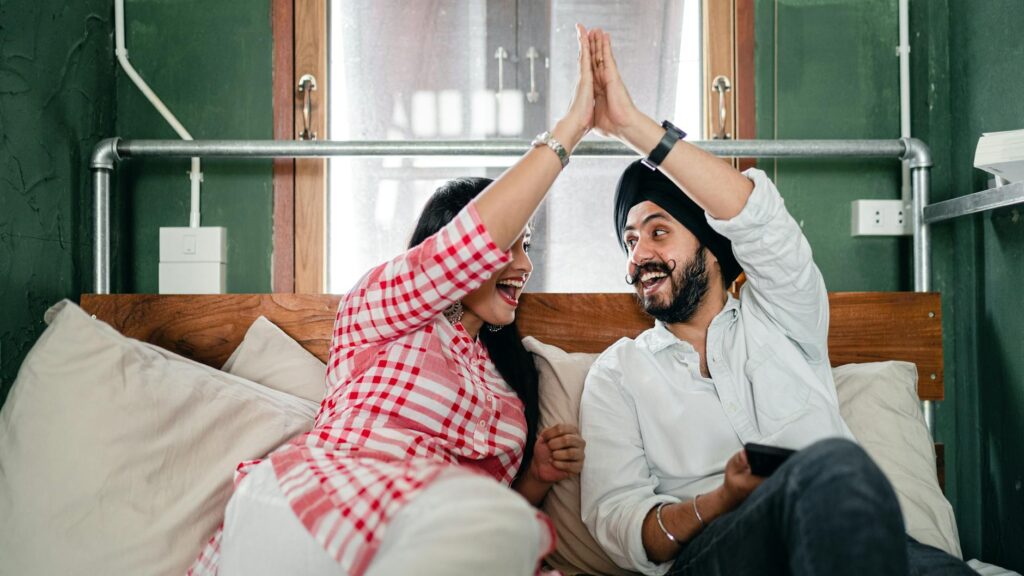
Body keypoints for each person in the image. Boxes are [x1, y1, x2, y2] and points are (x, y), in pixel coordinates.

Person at [189, 23, 597, 576]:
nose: (525, 266)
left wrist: (536, 477)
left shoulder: (509, 388)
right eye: (511, 246)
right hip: (319, 503)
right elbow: (460, 250)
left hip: (429, 538)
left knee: (494, 534)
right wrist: (571, 130)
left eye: (528, 248)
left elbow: (488, 522)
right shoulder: (381, 309)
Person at [578, 29, 974, 575]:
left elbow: (759, 220)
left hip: (849, 533)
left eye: (658, 232)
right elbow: (623, 524)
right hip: (720, 552)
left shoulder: (786, 315)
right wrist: (722, 500)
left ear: (711, 246)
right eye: (629, 241)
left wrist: (634, 128)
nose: (638, 255)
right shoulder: (618, 374)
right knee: (833, 464)